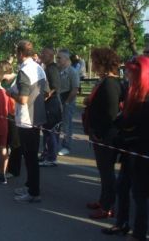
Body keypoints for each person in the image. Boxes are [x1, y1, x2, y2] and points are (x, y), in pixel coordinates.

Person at [103, 55, 149, 240]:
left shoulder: (146, 98)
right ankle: (121, 223)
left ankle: (139, 233)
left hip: (141, 153)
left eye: (130, 70)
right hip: (129, 151)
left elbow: (141, 127)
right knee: (122, 187)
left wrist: (125, 131)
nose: (127, 73)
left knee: (140, 195)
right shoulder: (134, 91)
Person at [84, 48, 123, 219]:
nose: (92, 64)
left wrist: (99, 132)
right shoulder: (105, 81)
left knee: (107, 172)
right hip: (100, 133)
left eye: (94, 61)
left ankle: (108, 206)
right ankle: (103, 200)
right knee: (103, 170)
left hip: (106, 135)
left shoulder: (110, 83)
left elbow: (111, 113)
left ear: (102, 63)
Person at [12, 40, 48, 203]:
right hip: (37, 116)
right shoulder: (39, 67)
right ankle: (29, 186)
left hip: (26, 118)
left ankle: (34, 192)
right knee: (31, 155)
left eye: (16, 53)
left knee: (30, 157)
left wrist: (9, 93)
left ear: (20, 53)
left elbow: (23, 99)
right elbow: (47, 92)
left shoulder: (24, 70)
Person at [39, 47, 62, 167]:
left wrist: (46, 97)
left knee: (51, 131)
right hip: (49, 104)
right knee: (47, 130)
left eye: (44, 53)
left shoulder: (52, 68)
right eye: (42, 53)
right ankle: (46, 154)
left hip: (52, 105)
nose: (41, 55)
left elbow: (55, 86)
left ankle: (51, 157)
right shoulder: (47, 67)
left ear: (51, 55)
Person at [57, 49, 79, 156]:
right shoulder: (57, 70)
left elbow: (75, 89)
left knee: (67, 124)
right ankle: (54, 145)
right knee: (57, 124)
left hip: (67, 100)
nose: (57, 60)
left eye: (59, 58)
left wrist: (66, 102)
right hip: (58, 100)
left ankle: (66, 146)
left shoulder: (72, 72)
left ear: (66, 59)